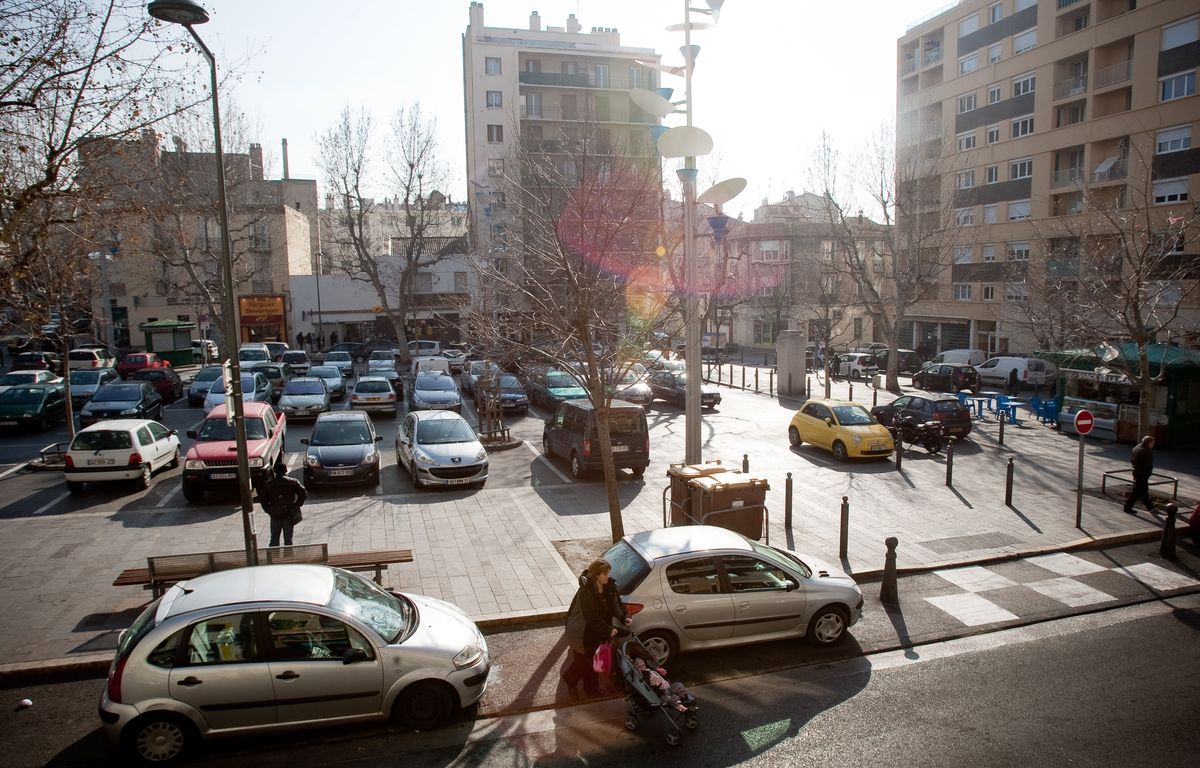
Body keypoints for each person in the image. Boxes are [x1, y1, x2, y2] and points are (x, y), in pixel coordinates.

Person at [562, 558, 629, 699]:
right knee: (583, 662)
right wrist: (608, 630)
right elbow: (591, 617)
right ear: (596, 575)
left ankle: (591, 689)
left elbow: (617, 604)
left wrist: (623, 617)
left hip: (597, 631)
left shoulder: (609, 586)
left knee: (592, 661)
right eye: (604, 574)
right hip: (581, 632)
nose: (607, 576)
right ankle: (570, 679)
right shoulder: (586, 592)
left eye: (607, 573)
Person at [253, 464, 307, 546]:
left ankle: (275, 557)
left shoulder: (269, 484)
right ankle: (288, 557)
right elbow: (303, 494)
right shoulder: (293, 482)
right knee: (288, 539)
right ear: (285, 471)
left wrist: (268, 510)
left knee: (274, 538)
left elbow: (263, 499)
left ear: (275, 471)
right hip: (289, 514)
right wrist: (296, 505)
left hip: (275, 514)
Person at [1123, 435, 1156, 515]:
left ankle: (1149, 507)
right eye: (1153, 443)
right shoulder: (1147, 451)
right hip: (1143, 474)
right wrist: (1148, 473)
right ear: (1149, 443)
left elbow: (1131, 459)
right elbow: (1149, 465)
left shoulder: (1136, 447)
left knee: (1144, 490)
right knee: (1136, 491)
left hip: (1136, 471)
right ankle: (1127, 507)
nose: (1153, 445)